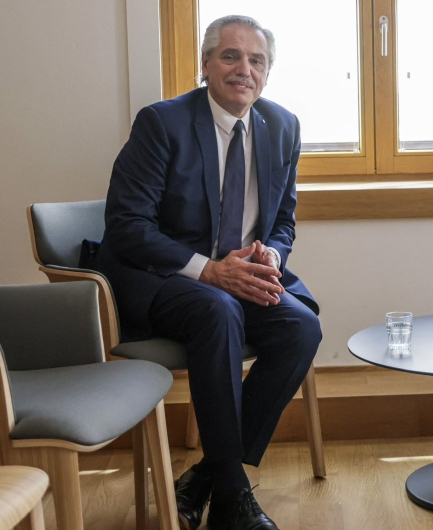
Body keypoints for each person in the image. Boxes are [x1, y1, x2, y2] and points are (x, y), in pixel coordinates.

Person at [96, 15, 320, 530]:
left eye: (256, 60)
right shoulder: (162, 122)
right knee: (217, 310)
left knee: (300, 326)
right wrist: (210, 272)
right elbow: (126, 227)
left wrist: (272, 256)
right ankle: (235, 501)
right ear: (205, 65)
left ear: (267, 73)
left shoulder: (282, 126)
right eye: (230, 56)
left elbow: (283, 220)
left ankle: (208, 476)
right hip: (160, 278)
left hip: (239, 278)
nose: (245, 69)